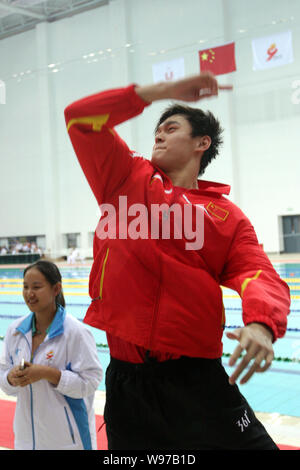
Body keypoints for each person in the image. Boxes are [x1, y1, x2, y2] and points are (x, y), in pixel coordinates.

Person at [64, 72, 291, 450]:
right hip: (127, 384)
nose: (159, 135)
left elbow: (257, 273)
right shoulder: (123, 178)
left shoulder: (226, 217)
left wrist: (262, 325)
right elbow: (79, 118)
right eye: (157, 131)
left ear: (202, 143)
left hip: (197, 381)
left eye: (170, 129)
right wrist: (160, 93)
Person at [0, 260, 103, 450]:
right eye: (25, 287)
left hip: (68, 440)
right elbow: (3, 375)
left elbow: (90, 382)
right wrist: (11, 377)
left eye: (37, 287)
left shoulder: (76, 333)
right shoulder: (16, 330)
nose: (29, 293)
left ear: (56, 289)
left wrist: (48, 373)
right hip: (25, 438)